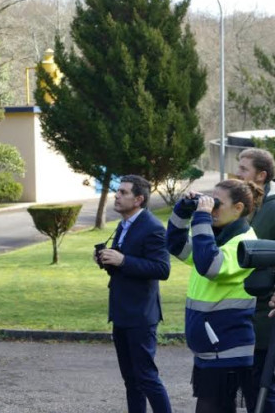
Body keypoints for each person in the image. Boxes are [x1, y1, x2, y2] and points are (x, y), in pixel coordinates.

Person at [166, 179, 264, 413]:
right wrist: (183, 210)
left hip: (227, 349)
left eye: (216, 203)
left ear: (238, 208)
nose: (211, 208)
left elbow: (211, 266)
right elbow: (175, 245)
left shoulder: (245, 244)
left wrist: (201, 218)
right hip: (211, 347)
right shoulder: (219, 238)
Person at [95, 175, 172, 413]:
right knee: (131, 380)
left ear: (138, 199)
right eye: (117, 191)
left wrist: (123, 260)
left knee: (146, 377)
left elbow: (162, 269)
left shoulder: (153, 228)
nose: (116, 196)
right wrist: (106, 260)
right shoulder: (124, 224)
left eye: (123, 192)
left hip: (141, 315)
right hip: (121, 312)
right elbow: (122, 266)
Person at [235, 147, 275, 413]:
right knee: (248, 384)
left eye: (243, 169)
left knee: (262, 384)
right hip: (243, 311)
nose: (237, 173)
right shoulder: (249, 207)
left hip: (265, 313)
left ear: (261, 175)